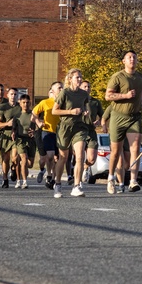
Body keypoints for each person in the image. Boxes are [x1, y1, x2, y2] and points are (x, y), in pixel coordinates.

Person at [104, 50, 142, 194]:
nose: (132, 59)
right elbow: (108, 96)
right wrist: (125, 95)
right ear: (123, 61)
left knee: (135, 148)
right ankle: (111, 178)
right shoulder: (117, 77)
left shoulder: (141, 76)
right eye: (129, 57)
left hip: (135, 117)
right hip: (118, 117)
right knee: (116, 152)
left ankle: (133, 181)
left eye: (134, 57)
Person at [51, 69, 91, 198]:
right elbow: (54, 111)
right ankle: (57, 184)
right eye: (77, 77)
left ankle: (76, 186)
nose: (79, 80)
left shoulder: (84, 94)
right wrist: (71, 112)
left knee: (79, 156)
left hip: (79, 128)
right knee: (63, 157)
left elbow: (85, 107)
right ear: (70, 79)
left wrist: (85, 112)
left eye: (80, 77)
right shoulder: (64, 93)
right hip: (65, 127)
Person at [33, 81, 61, 188]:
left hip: (60, 132)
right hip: (47, 131)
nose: (61, 89)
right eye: (59, 88)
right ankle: (49, 175)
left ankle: (53, 179)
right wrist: (38, 122)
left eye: (62, 87)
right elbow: (34, 113)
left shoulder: (64, 102)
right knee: (49, 155)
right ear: (53, 91)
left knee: (57, 158)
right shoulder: (45, 102)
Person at [0, 88, 21, 188]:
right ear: (8, 95)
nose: (13, 96)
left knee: (15, 157)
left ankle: (13, 168)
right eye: (11, 94)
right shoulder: (4, 107)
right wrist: (7, 123)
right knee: (5, 158)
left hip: (17, 134)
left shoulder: (20, 107)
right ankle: (5, 178)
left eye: (15, 94)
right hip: (6, 134)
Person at [78, 80, 103, 183]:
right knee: (79, 156)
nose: (87, 88)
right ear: (80, 88)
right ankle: (77, 177)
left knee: (92, 159)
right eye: (84, 87)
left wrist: (99, 122)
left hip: (91, 131)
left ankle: (86, 167)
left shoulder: (95, 102)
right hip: (79, 131)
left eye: (88, 86)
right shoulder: (77, 101)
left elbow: (103, 116)